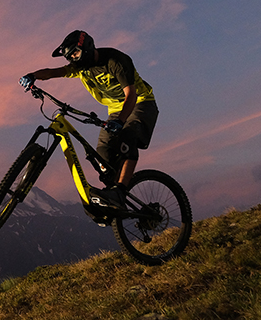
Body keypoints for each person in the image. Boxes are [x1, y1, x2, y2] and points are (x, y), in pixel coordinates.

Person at [19, 30, 158, 204]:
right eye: (70, 57)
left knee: (127, 138)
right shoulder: (80, 68)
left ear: (87, 47)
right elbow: (53, 72)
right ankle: (112, 198)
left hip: (140, 102)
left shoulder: (115, 61)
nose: (73, 59)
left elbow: (131, 94)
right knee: (103, 155)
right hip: (115, 110)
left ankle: (120, 192)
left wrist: (120, 121)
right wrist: (33, 76)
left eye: (75, 53)